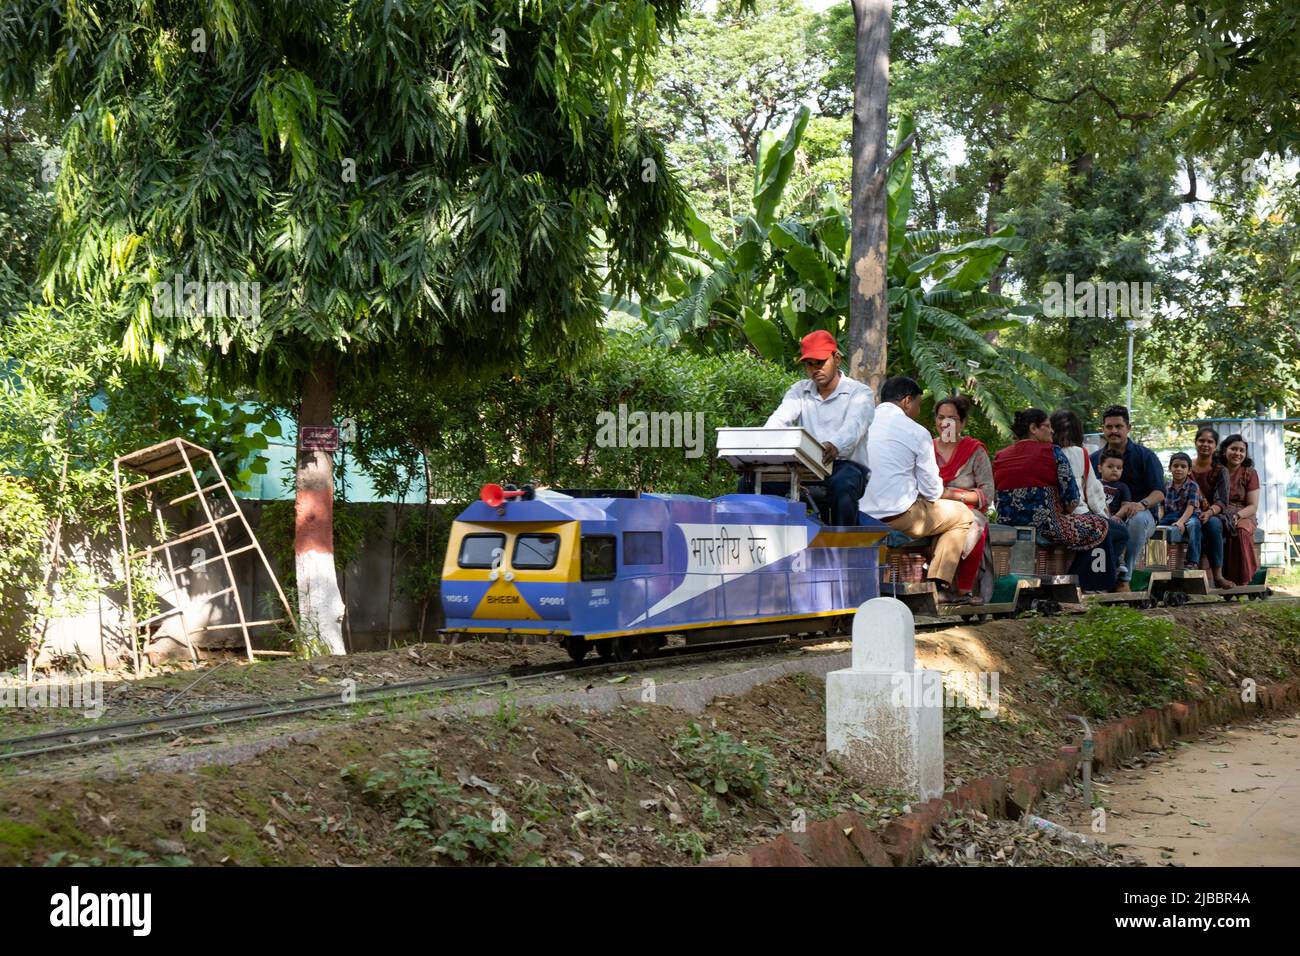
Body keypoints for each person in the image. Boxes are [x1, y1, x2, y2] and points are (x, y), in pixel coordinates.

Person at [740, 329, 874, 525]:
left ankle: (843, 548)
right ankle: (758, 544)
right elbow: (779, 419)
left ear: (836, 358)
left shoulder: (859, 393)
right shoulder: (799, 390)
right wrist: (762, 443)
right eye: (809, 364)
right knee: (749, 481)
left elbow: (854, 427)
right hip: (805, 468)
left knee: (844, 484)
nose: (815, 369)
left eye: (820, 362)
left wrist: (834, 445)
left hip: (844, 466)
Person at [859, 377, 974, 603]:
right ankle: (938, 585)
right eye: (918, 405)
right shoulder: (917, 432)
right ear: (907, 401)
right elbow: (932, 491)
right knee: (962, 515)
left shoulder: (860, 424)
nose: (918, 411)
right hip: (897, 517)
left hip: (859, 514)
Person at [993, 408, 1109, 550]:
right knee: (1102, 526)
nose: (1052, 431)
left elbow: (996, 498)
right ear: (1033, 428)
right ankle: (1081, 571)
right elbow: (1072, 501)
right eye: (1047, 426)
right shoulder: (1053, 452)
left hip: (1007, 525)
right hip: (1048, 528)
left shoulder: (1000, 456)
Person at [1090, 405, 1164, 592]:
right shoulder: (1094, 459)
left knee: (1136, 521)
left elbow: (1159, 492)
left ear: (1128, 428)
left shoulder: (1146, 456)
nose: (1113, 431)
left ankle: (1124, 579)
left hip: (1141, 514)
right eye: (1108, 427)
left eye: (1118, 426)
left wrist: (1141, 504)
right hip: (1104, 513)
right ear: (1103, 429)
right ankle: (1091, 581)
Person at [1052, 408, 1127, 590]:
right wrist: (1103, 515)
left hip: (1052, 513)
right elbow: (1093, 492)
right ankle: (1106, 570)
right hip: (1079, 514)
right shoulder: (1080, 453)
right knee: (1120, 533)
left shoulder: (1048, 452)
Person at [933, 395, 994, 603]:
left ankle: (963, 589)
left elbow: (988, 492)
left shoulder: (974, 450)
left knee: (974, 525)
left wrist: (953, 495)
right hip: (932, 506)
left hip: (967, 508)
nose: (945, 423)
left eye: (952, 418)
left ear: (963, 423)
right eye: (941, 417)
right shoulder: (926, 448)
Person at [1190, 426, 1232, 588]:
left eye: (1210, 441)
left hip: (1214, 514)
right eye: (1201, 440)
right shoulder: (1186, 467)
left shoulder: (1221, 470)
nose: (1205, 444)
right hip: (1188, 512)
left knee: (1213, 524)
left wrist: (1209, 513)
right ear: (1195, 443)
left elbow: (1222, 501)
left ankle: (1218, 576)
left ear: (1215, 446)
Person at [1217, 434, 1261, 587]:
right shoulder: (1216, 471)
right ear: (1224, 451)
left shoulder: (1249, 473)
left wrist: (1237, 516)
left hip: (1244, 515)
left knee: (1240, 530)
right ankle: (1218, 579)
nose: (1238, 453)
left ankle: (1244, 580)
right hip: (1220, 513)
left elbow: (1253, 506)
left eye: (1242, 450)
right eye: (1233, 449)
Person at [1159, 452, 1202, 569]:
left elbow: (1191, 507)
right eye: (1176, 466)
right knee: (1155, 528)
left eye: (1183, 467)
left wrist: (1181, 522)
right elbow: (1161, 506)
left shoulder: (1193, 486)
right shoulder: (1165, 486)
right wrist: (1157, 520)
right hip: (1170, 515)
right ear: (1170, 468)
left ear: (1189, 470)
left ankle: (1192, 561)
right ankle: (1156, 560)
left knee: (1194, 525)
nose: (1179, 469)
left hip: (1189, 515)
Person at [1097, 449, 1131, 516]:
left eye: (1118, 468)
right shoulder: (1095, 484)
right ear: (1100, 468)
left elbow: (1126, 505)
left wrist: (1117, 516)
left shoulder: (1123, 487)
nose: (1115, 470)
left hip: (1113, 518)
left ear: (1122, 470)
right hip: (1096, 516)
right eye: (1110, 467)